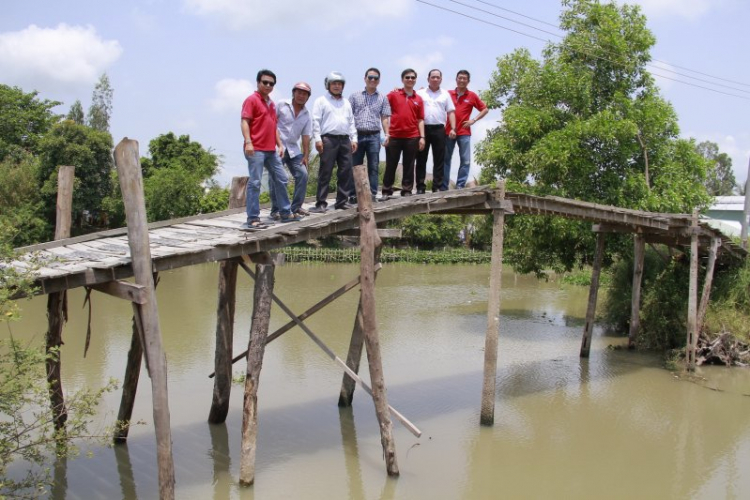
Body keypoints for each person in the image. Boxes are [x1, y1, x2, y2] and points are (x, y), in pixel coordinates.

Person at [240, 69, 301, 230]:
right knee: (255, 182)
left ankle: (285, 213)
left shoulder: (271, 104)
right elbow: (245, 121)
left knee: (282, 178)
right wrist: (248, 142)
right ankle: (252, 218)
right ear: (258, 83)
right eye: (265, 82)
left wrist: (280, 145)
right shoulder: (251, 100)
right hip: (256, 149)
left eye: (271, 83)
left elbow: (273, 126)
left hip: (271, 150)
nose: (268, 85)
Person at [310, 71, 358, 213]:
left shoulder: (346, 103)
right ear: (328, 85)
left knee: (346, 171)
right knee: (325, 172)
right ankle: (321, 203)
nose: (337, 86)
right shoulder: (321, 101)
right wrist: (318, 139)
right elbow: (316, 121)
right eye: (334, 83)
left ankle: (342, 201)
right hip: (328, 139)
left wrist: (354, 138)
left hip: (344, 139)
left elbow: (351, 122)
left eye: (339, 84)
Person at [269, 81, 312, 220]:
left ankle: (296, 207)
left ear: (307, 97)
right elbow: (272, 123)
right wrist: (275, 143)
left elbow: (306, 136)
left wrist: (305, 155)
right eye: (299, 92)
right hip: (277, 146)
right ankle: (276, 210)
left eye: (304, 94)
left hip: (293, 148)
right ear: (293, 93)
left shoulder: (306, 114)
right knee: (275, 177)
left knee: (303, 174)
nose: (301, 96)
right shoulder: (282, 104)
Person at [349, 67, 391, 201]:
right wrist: (350, 136)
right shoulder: (355, 96)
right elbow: (348, 116)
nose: (373, 80)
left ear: (379, 81)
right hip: (357, 135)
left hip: (374, 136)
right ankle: (353, 194)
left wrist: (387, 134)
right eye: (370, 77)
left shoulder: (382, 98)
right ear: (365, 79)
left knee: (374, 166)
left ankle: (372, 194)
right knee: (355, 165)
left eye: (376, 78)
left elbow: (384, 118)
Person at [382, 69, 425, 199]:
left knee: (409, 164)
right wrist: (386, 133)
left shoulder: (418, 98)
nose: (410, 80)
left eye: (413, 77)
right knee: (391, 164)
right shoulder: (393, 95)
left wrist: (422, 137)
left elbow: (420, 119)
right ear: (402, 79)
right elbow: (383, 107)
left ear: (415, 80)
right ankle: (386, 190)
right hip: (394, 135)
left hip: (412, 136)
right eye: (407, 77)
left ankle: (407, 190)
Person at [443, 69, 488, 190]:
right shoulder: (447, 94)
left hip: (464, 132)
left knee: (465, 160)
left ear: (468, 81)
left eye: (464, 78)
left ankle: (460, 185)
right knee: (445, 159)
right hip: (448, 131)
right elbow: (432, 98)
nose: (462, 80)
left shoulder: (472, 95)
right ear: (456, 79)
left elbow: (485, 109)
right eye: (460, 78)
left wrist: (473, 120)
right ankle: (444, 186)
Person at [416, 69, 456, 193]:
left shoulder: (445, 94)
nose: (435, 79)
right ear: (428, 79)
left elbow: (451, 111)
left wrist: (453, 128)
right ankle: (420, 187)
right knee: (421, 158)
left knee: (439, 159)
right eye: (432, 77)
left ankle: (437, 186)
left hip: (439, 128)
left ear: (441, 79)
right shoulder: (420, 93)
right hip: (423, 129)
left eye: (437, 77)